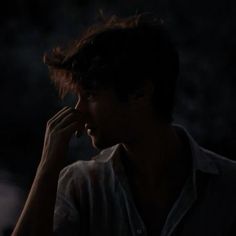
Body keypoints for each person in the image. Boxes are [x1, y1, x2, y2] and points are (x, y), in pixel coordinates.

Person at [12, 13, 236, 236]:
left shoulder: (228, 185)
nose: (79, 111)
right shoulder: (81, 186)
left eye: (90, 95)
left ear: (140, 91)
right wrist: (47, 166)